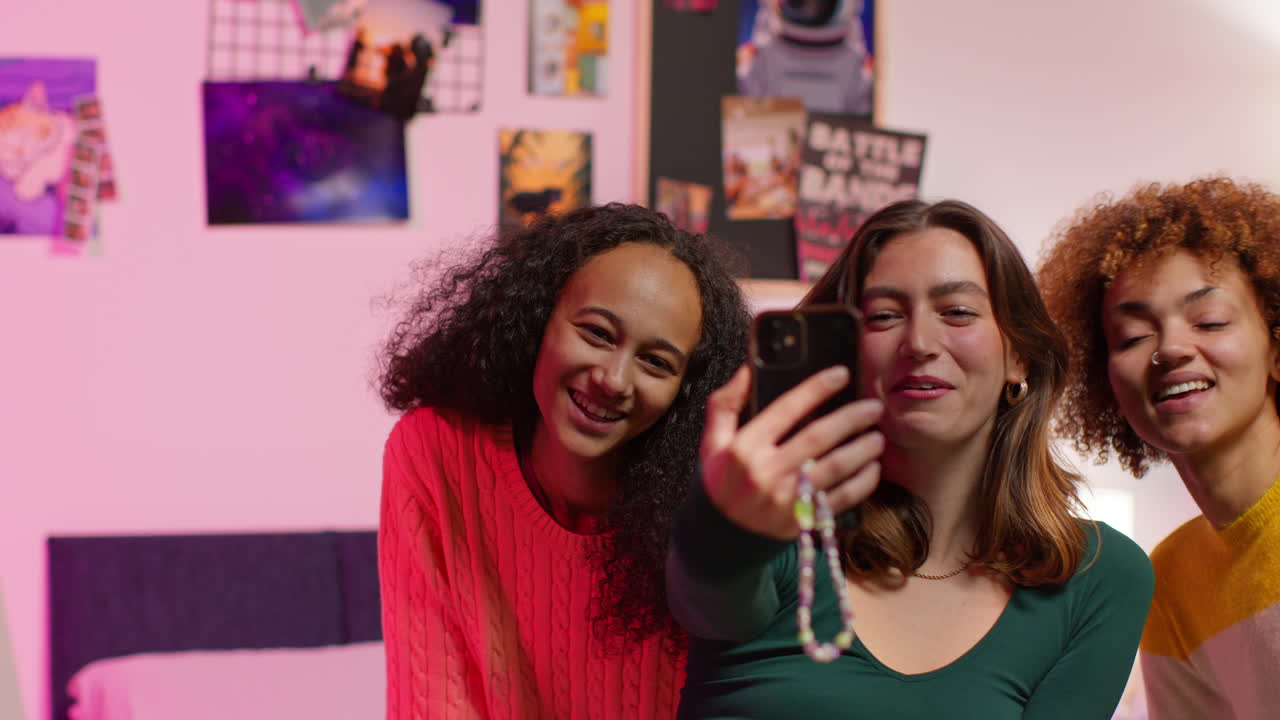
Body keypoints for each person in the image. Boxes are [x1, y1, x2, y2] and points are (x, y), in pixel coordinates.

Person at [667, 199, 1154, 718]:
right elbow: (708, 596)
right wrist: (722, 529)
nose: (919, 342)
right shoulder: (779, 526)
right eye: (883, 317)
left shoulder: (1100, 577)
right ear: (847, 356)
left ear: (1020, 358)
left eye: (957, 312)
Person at [377, 203, 750, 719]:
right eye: (597, 333)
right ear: (537, 319)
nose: (614, 380)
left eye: (656, 362)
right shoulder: (436, 453)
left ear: (685, 392)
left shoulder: (705, 503)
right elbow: (433, 697)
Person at [1037, 177, 1280, 719]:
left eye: (1209, 321)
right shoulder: (1167, 580)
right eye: (1132, 337)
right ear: (1105, 384)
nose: (1170, 348)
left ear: (1275, 345)